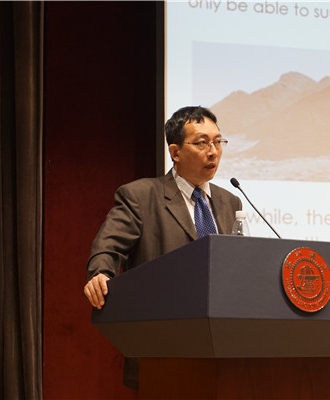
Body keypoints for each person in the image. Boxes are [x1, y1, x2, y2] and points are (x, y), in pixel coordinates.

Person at [83, 105, 242, 390]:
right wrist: (100, 273)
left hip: (221, 347)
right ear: (175, 152)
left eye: (218, 142)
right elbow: (108, 247)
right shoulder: (141, 196)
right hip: (163, 346)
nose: (213, 151)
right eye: (202, 143)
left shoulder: (230, 201)